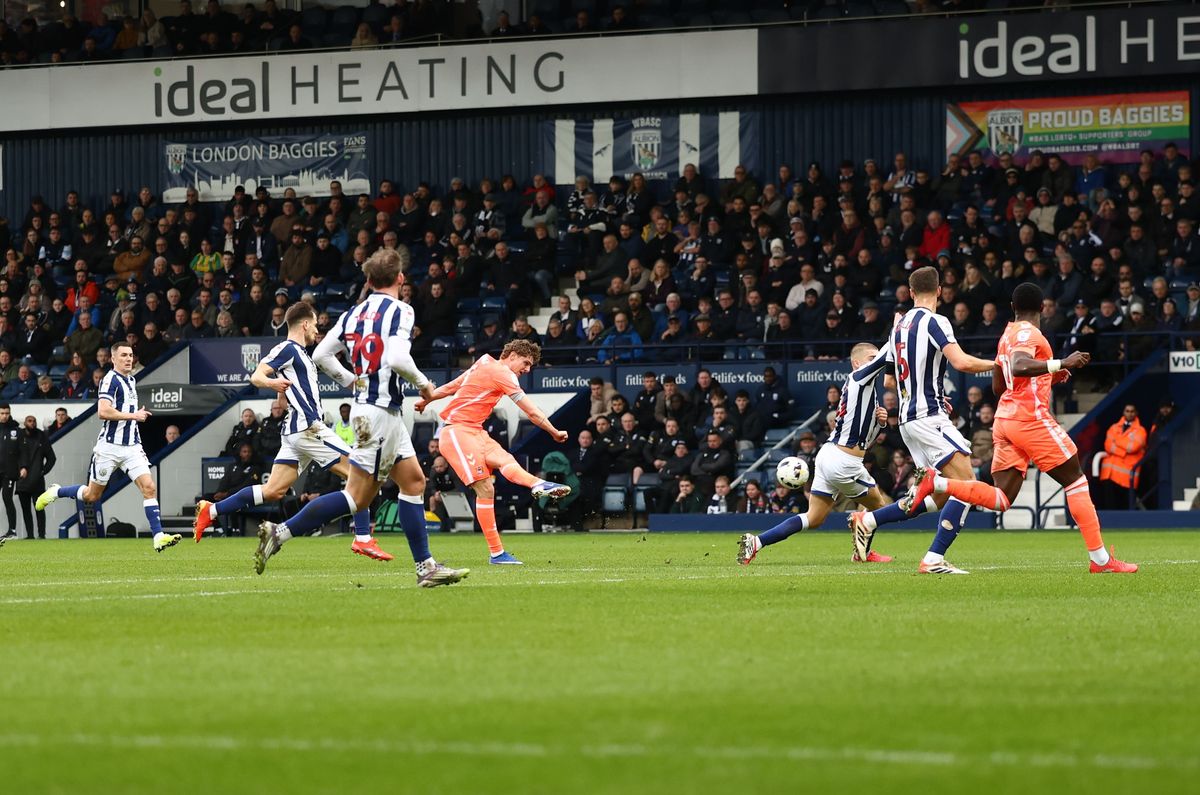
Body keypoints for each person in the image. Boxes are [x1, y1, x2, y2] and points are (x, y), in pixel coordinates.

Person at [254, 249, 467, 587]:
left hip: (379, 412)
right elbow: (397, 357)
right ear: (400, 279)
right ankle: (280, 533)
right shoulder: (402, 309)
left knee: (413, 482)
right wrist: (425, 386)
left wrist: (351, 380)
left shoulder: (354, 313)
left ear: (368, 281)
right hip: (379, 413)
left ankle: (426, 567)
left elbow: (322, 354)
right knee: (357, 497)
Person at [908, 283, 1137, 573]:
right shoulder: (1028, 332)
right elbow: (1018, 366)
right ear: (1042, 308)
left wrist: (1049, 377)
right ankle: (1101, 560)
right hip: (1029, 418)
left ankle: (937, 484)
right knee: (1076, 480)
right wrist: (1061, 362)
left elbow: (998, 384)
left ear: (1013, 307)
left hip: (1005, 419)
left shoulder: (1006, 334)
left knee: (1002, 499)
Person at [193, 303, 380, 557]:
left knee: (273, 490)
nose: (316, 330)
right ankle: (362, 537)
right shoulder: (288, 349)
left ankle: (211, 511)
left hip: (296, 432)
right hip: (307, 428)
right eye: (314, 325)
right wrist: (272, 382)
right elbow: (256, 375)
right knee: (360, 473)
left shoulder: (303, 355)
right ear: (304, 324)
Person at [847, 266, 998, 575]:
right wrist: (1000, 364)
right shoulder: (936, 321)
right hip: (928, 416)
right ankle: (933, 559)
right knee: (969, 485)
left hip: (906, 420)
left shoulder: (898, 327)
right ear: (940, 291)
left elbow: (889, 383)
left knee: (940, 496)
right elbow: (961, 362)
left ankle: (869, 520)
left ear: (911, 292)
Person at [413, 340, 572, 565]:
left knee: (505, 459)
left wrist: (426, 400)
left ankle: (537, 484)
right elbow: (531, 411)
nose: (527, 369)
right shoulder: (504, 374)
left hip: (475, 432)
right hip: (457, 432)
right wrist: (553, 431)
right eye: (526, 363)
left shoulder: (484, 361)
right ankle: (497, 553)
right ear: (514, 355)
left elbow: (452, 386)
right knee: (485, 488)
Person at [739, 342, 896, 565]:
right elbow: (883, 359)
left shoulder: (866, 392)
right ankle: (862, 552)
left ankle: (756, 542)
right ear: (856, 363)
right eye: (870, 358)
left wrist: (879, 424)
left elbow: (865, 443)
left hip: (830, 455)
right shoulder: (858, 378)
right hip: (844, 461)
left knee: (814, 519)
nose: (874, 361)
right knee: (880, 508)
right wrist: (899, 329)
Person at [36, 342, 182, 552]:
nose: (129, 358)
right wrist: (134, 415)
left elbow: (122, 410)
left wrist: (134, 413)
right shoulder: (109, 380)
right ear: (113, 359)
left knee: (149, 488)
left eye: (131, 355)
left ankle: (158, 536)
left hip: (132, 446)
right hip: (109, 448)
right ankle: (57, 491)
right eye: (123, 355)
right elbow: (103, 411)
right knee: (92, 496)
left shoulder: (131, 380)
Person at [1097, 404, 1147, 510]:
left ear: (1136, 413)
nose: (1129, 413)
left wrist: (1117, 440)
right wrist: (1123, 451)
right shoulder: (1114, 427)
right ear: (1123, 412)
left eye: (1132, 411)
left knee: (1124, 505)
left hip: (1126, 475)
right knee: (1109, 505)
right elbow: (1107, 445)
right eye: (1127, 411)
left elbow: (1133, 447)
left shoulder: (1140, 430)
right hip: (1108, 473)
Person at [16, 414, 55, 539]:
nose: (32, 423)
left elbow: (52, 458)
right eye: (29, 421)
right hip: (22, 480)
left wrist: (43, 471)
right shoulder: (19, 436)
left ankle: (41, 534)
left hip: (37, 480)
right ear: (25, 423)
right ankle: (30, 535)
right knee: (26, 510)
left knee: (39, 508)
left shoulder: (41, 436)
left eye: (34, 421)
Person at [0, 405, 18, 539]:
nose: (4, 416)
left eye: (7, 413)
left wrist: (23, 467)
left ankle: (12, 530)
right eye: (2, 413)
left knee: (7, 498)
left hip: (9, 472)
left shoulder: (15, 430)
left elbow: (22, 451)